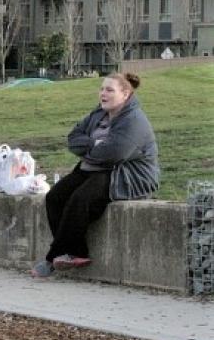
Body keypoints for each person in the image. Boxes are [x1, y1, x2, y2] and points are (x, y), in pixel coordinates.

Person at [31, 72, 159, 278]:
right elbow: (73, 139)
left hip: (125, 174)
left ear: (125, 94)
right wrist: (95, 145)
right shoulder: (99, 114)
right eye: (101, 89)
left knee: (80, 200)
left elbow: (114, 154)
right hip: (93, 168)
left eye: (109, 90)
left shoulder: (134, 120)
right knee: (55, 197)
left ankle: (52, 258)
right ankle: (74, 251)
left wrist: (90, 149)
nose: (103, 94)